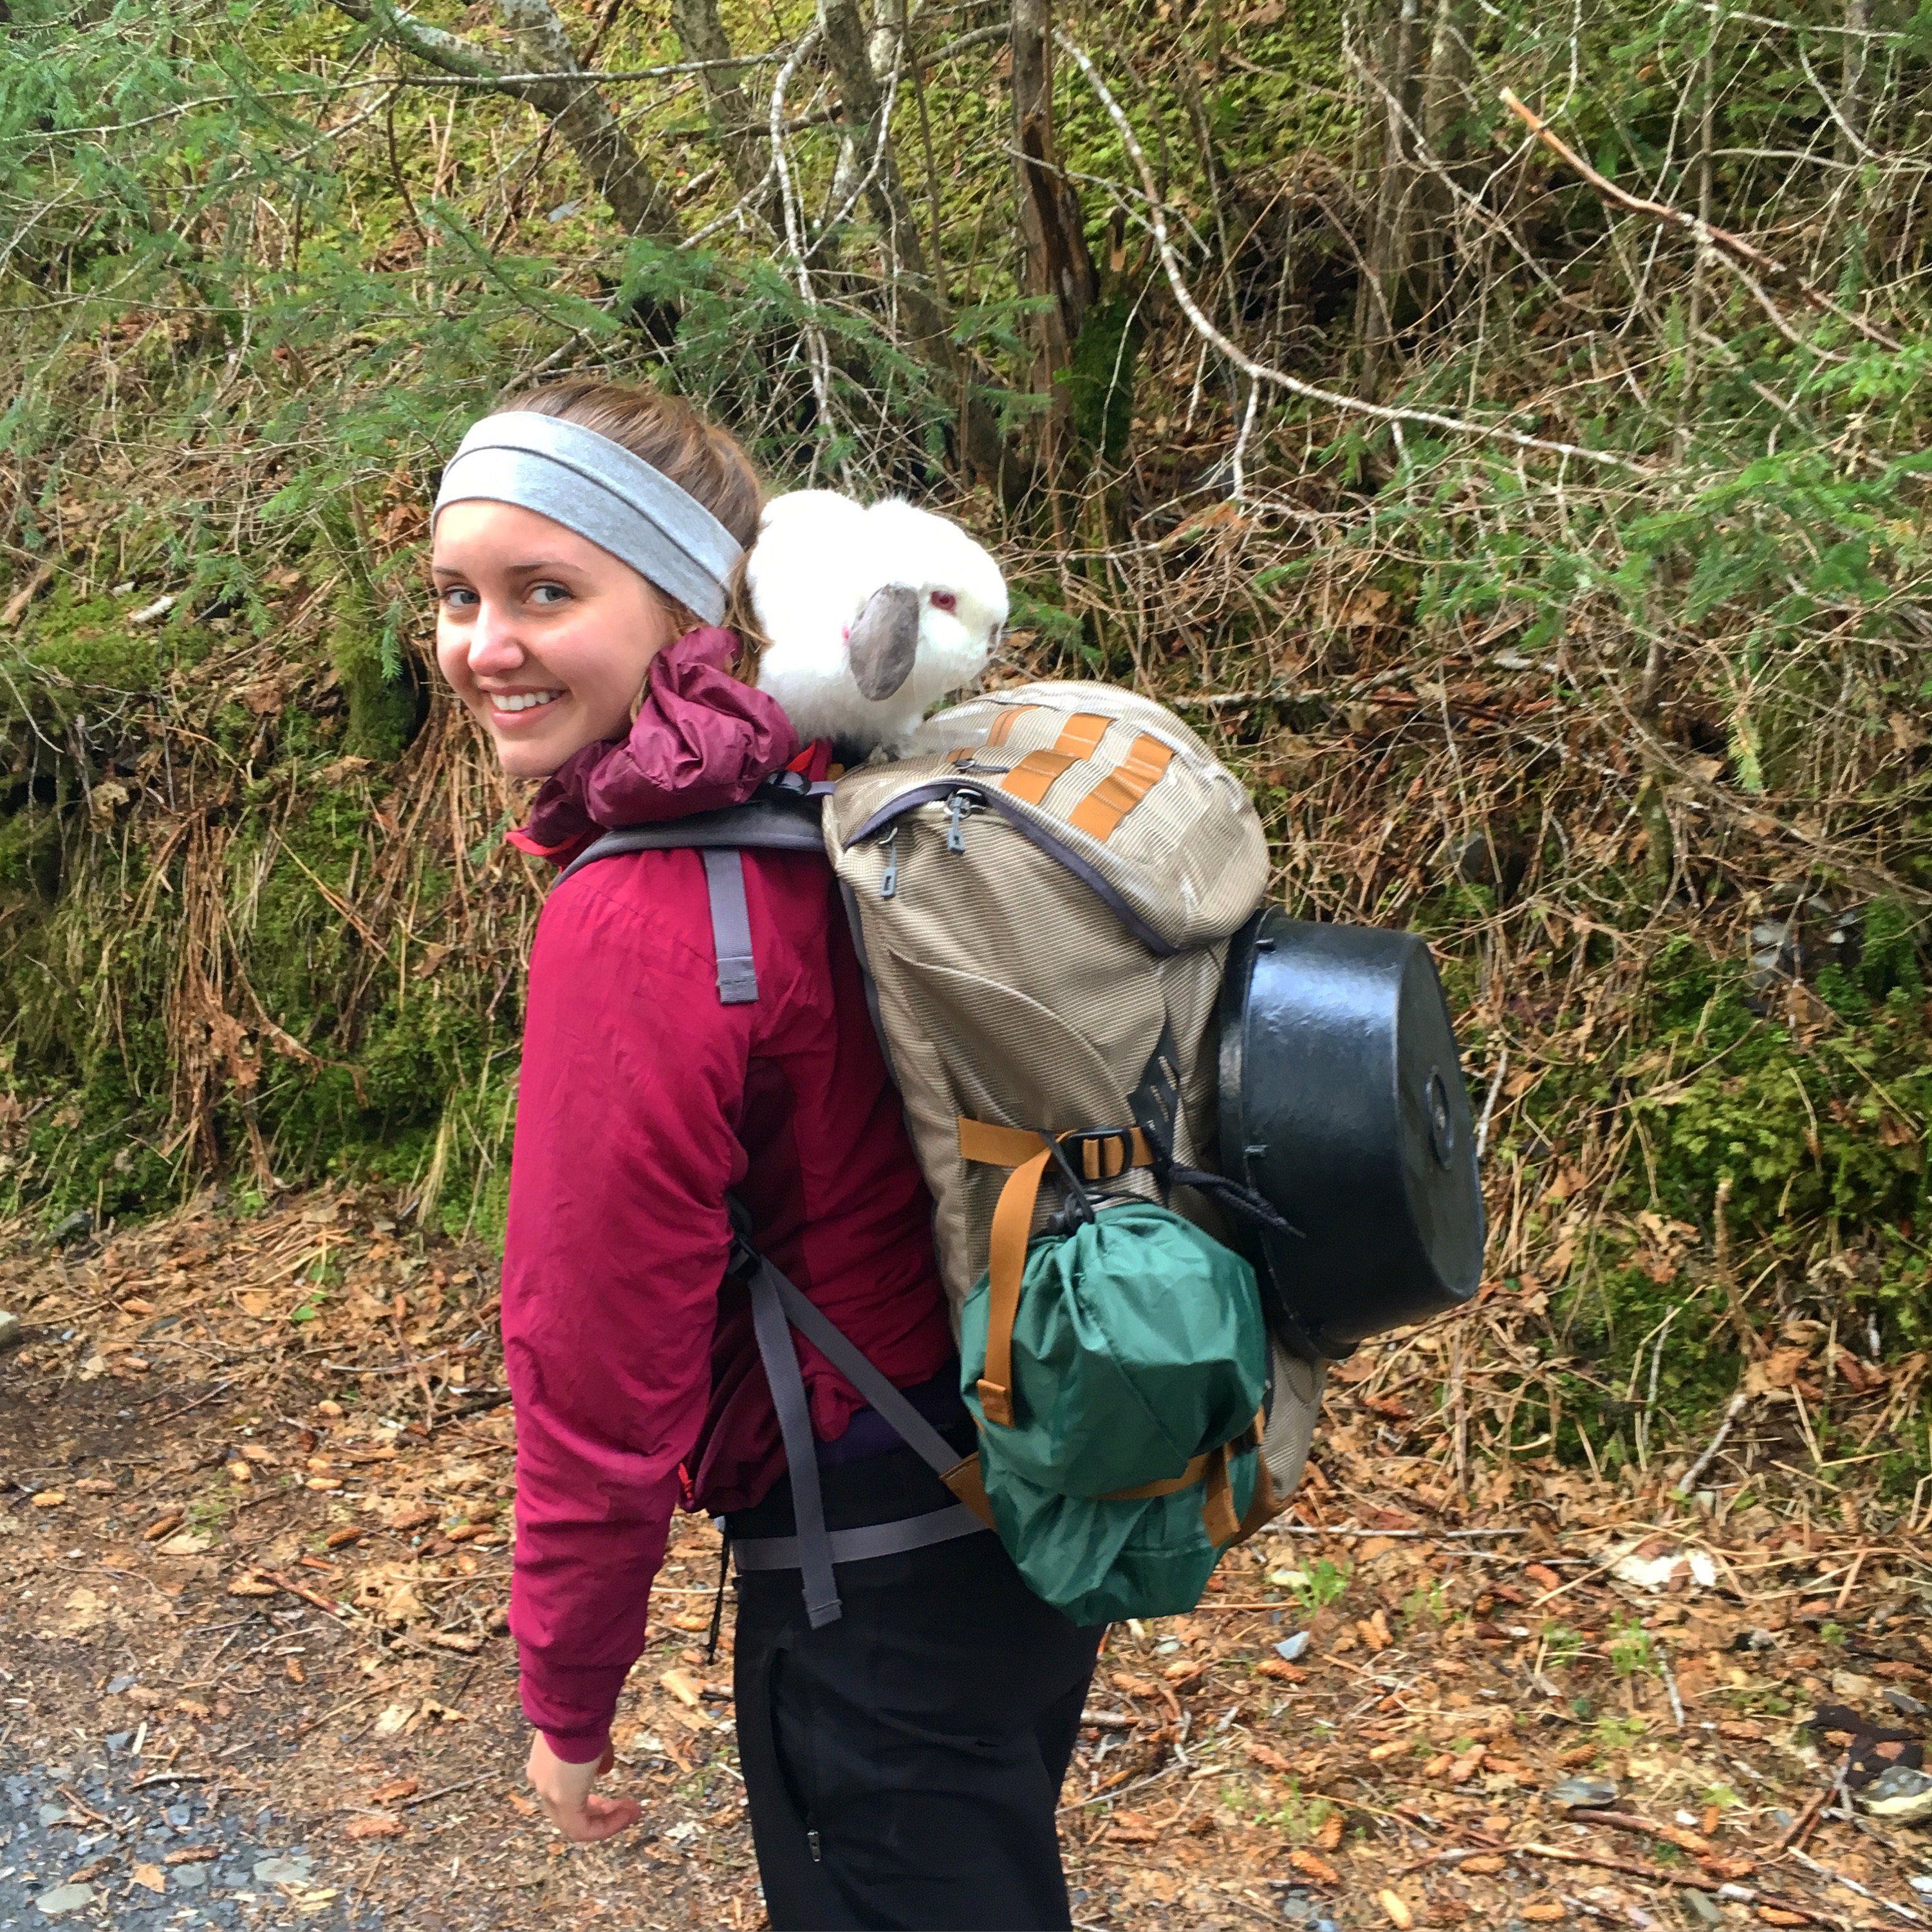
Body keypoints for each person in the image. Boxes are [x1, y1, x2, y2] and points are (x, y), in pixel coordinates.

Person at [429, 378, 1102, 1931]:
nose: (484, 645)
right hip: (1013, 1507)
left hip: (868, 1573)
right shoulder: (837, 810)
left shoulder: (641, 916)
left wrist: (569, 1689)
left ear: (685, 613)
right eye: (458, 597)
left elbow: (598, 1367)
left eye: (547, 591)